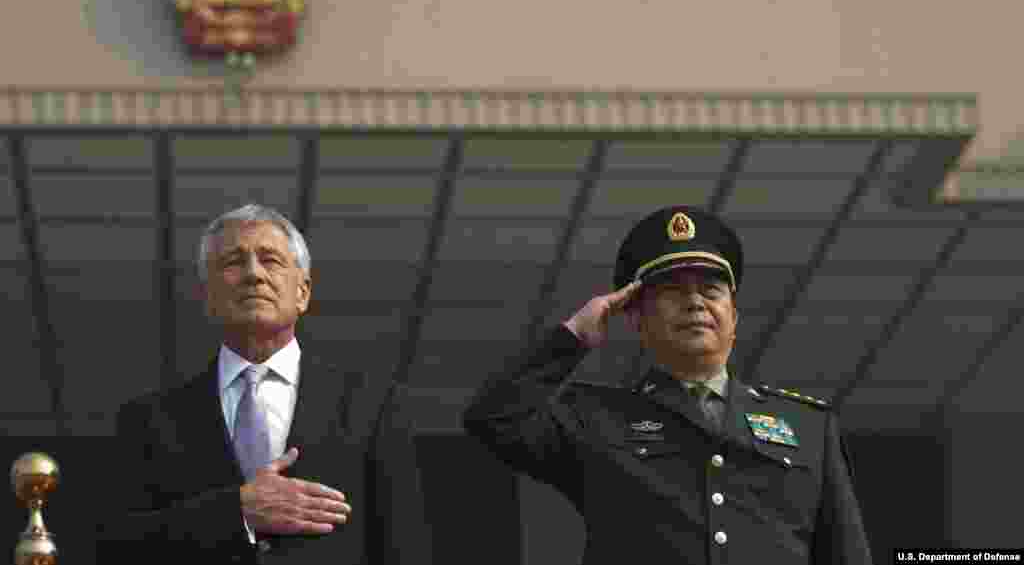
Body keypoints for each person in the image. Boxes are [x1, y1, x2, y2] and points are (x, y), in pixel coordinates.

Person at [463, 205, 873, 564]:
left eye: (711, 290)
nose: (695, 302)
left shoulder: (808, 428)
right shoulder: (595, 419)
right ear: (636, 318)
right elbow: (494, 417)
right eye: (674, 292)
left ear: (734, 318)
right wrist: (573, 337)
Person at [96, 204, 430, 564]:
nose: (253, 274)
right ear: (207, 296)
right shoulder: (148, 420)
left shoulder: (372, 405)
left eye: (270, 260)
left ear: (302, 292)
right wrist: (236, 513)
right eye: (232, 263)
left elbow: (404, 548)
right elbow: (116, 548)